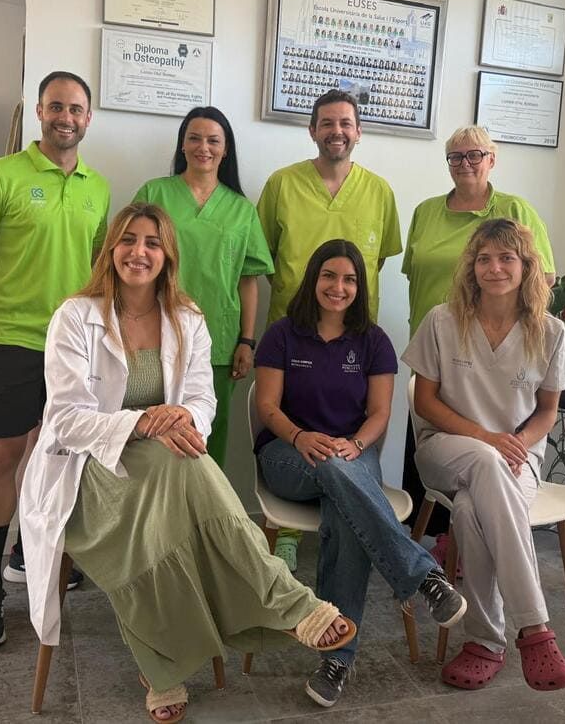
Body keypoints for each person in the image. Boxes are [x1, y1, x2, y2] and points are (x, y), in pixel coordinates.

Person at [20, 204, 357, 723]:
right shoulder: (75, 316)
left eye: (152, 243)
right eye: (128, 240)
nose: (139, 252)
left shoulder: (188, 318)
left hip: (167, 462)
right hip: (87, 471)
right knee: (186, 467)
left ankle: (162, 667)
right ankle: (287, 601)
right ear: (111, 249)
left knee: (183, 467)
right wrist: (145, 423)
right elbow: (65, 419)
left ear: (167, 255)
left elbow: (204, 401)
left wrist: (181, 413)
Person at [254, 239, 466, 707]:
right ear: (314, 279)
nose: (338, 286)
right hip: (288, 454)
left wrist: (354, 445)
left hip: (353, 454)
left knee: (347, 513)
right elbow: (266, 406)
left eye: (349, 279)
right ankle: (421, 575)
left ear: (360, 287)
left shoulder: (374, 341)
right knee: (337, 476)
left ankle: (336, 659)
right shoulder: (282, 335)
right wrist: (300, 437)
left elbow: (379, 414)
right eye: (329, 275)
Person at [0, 70, 110, 648]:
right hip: (9, 339)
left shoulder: (97, 186)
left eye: (77, 109)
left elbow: (99, 273)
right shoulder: (1, 176)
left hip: (73, 345)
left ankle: (28, 553)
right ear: (40, 113)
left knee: (61, 454)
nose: (67, 117)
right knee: (1, 460)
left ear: (89, 117)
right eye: (57, 107)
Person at [402, 218, 565, 693]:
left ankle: (484, 641)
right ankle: (535, 627)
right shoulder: (442, 319)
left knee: (470, 509)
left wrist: (514, 444)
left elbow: (547, 412)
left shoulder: (551, 331)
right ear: (471, 267)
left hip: (518, 456)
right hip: (446, 447)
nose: (493, 268)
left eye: (506, 258)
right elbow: (426, 402)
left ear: (526, 266)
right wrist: (486, 438)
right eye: (483, 259)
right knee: (482, 461)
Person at [257, 88, 402, 571]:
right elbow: (266, 256)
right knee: (310, 441)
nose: (336, 131)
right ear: (312, 129)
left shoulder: (380, 191)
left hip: (352, 349)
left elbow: (373, 261)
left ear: (358, 132)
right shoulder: (281, 184)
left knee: (346, 442)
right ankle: (298, 537)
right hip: (293, 341)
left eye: (346, 123)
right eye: (327, 122)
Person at [401, 126, 557, 556]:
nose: (465, 163)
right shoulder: (426, 211)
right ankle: (437, 540)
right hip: (438, 344)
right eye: (455, 157)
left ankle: (463, 544)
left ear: (492, 160)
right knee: (438, 439)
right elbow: (416, 276)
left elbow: (543, 279)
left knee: (486, 447)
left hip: (497, 347)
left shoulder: (513, 208)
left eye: (475, 155)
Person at [134, 107, 273, 469]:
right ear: (182, 144)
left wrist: (246, 340)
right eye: (194, 138)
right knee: (153, 435)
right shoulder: (155, 193)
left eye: (214, 140)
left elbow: (248, 279)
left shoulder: (241, 209)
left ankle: (205, 521)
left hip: (220, 341)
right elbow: (130, 261)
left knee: (208, 437)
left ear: (226, 150)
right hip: (153, 334)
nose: (203, 147)